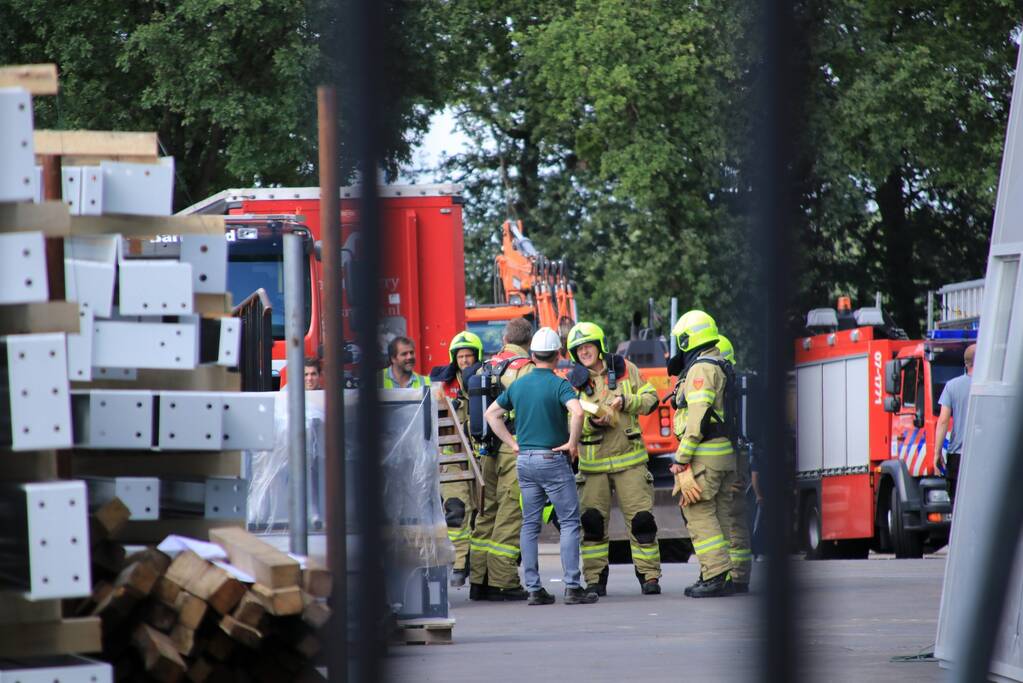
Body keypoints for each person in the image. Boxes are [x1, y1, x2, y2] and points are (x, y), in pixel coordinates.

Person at [485, 327, 597, 605]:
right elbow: (578, 412)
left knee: (530, 524)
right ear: (558, 355)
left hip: (525, 461)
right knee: (569, 522)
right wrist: (572, 443)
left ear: (533, 355)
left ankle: (534, 588)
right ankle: (573, 587)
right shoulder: (559, 384)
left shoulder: (519, 385)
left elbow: (491, 414)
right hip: (553, 459)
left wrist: (512, 443)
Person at [565, 321, 661, 596]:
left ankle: (649, 577)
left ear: (599, 346)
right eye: (579, 349)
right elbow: (568, 421)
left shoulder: (626, 369)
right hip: (592, 468)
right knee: (592, 525)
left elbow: (651, 398)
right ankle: (595, 580)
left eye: (588, 346)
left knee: (642, 523)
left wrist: (627, 401)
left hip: (630, 461)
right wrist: (591, 422)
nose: (584, 352)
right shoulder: (572, 383)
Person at [668, 309, 737, 598]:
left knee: (698, 513)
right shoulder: (720, 363)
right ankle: (724, 573)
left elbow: (697, 420)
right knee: (720, 516)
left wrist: (681, 458)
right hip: (723, 455)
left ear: (687, 339)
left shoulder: (700, 370)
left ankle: (715, 575)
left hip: (704, 455)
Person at [469, 318, 534, 601]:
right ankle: (502, 582)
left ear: (505, 339)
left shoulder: (486, 366)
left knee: (487, 513)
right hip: (512, 446)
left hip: (487, 448)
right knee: (510, 512)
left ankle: (478, 581)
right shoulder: (525, 369)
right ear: (528, 342)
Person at [429, 331, 485, 587]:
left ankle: (479, 568)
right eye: (460, 356)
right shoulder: (443, 385)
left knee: (481, 513)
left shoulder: (486, 380)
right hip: (452, 462)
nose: (464, 361)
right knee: (456, 509)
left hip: (482, 459)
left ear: (477, 356)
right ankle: (459, 564)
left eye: (468, 356)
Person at [716, 334, 752, 592]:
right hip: (741, 454)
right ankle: (739, 575)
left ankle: (729, 574)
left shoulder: (720, 385)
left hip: (726, 455)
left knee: (727, 514)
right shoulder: (739, 384)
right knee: (737, 515)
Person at [935, 343, 976, 504]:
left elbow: (943, 421)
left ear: (966, 363)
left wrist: (937, 452)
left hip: (958, 457)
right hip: (985, 455)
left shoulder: (952, 386)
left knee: (958, 504)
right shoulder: (991, 386)